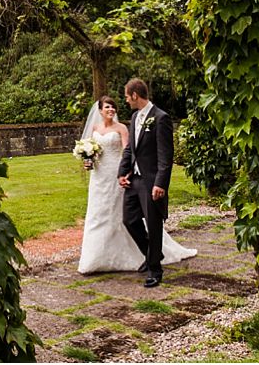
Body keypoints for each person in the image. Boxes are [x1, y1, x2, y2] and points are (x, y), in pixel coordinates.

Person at [77, 94, 196, 275]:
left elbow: (130, 150)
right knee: (97, 216)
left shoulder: (122, 128)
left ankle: (149, 256)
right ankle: (95, 258)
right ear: (100, 110)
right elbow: (94, 154)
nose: (111, 110)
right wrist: (88, 160)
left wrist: (126, 171)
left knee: (124, 216)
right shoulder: (95, 128)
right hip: (99, 177)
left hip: (119, 174)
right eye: (107, 107)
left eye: (112, 107)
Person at [118, 78, 191, 288]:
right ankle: (153, 253)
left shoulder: (161, 118)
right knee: (129, 220)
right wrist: (122, 172)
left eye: (126, 96)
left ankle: (154, 270)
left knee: (153, 223)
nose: (125, 100)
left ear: (135, 95)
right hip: (134, 180)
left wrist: (160, 183)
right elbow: (130, 149)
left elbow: (165, 156)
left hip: (151, 181)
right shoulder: (134, 117)